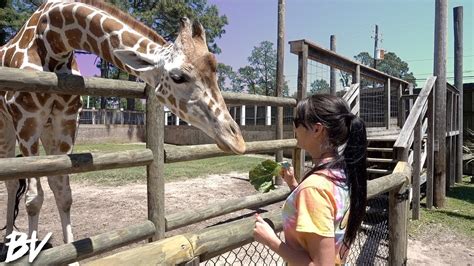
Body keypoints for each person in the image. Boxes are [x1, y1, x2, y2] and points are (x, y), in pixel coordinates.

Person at [253, 94, 367, 265]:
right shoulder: (342, 172)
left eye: (297, 121)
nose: (294, 128)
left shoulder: (314, 188)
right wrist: (294, 186)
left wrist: (271, 240)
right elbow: (326, 209)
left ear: (317, 130)